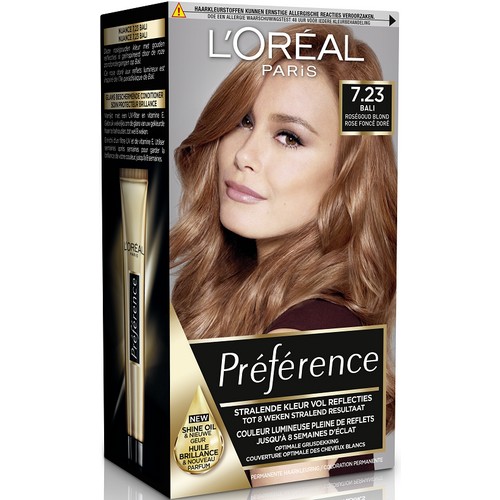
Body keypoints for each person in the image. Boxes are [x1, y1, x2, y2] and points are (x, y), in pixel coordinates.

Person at [170, 23, 396, 458]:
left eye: (289, 137)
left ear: (347, 176)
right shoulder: (238, 297)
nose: (244, 155)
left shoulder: (310, 337)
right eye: (244, 121)